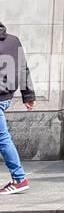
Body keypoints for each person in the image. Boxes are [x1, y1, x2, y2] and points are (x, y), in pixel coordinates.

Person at [0, 21, 35, 195]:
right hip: (5, 97)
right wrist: (28, 96)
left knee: (3, 138)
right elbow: (24, 69)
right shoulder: (14, 40)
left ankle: (19, 179)